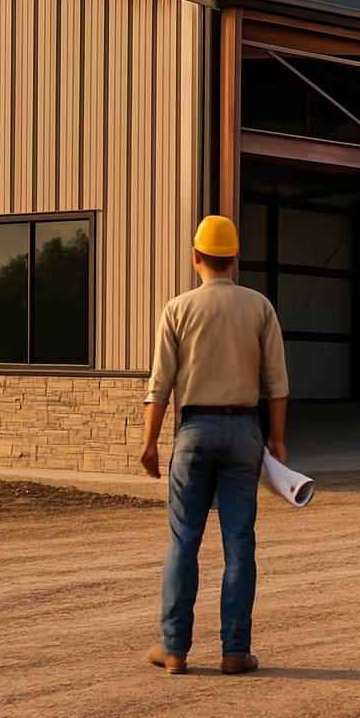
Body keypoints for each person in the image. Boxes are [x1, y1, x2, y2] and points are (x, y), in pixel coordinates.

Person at [141, 214, 290, 677]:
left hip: (194, 431)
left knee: (184, 540)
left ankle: (174, 649)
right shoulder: (259, 306)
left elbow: (160, 384)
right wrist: (277, 439)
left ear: (196, 258)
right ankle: (234, 651)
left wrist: (148, 443)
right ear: (235, 261)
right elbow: (277, 384)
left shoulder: (178, 309)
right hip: (243, 432)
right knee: (239, 542)